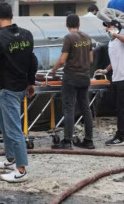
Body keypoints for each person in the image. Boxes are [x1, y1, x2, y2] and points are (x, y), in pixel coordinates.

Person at [0, 3, 36, 183]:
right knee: (3, 121)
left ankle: (21, 170)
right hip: (20, 87)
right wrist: (31, 82)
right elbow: (32, 60)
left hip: (10, 89)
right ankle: (11, 159)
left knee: (13, 128)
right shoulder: (27, 35)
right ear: (12, 15)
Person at [47, 14, 95, 150]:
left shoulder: (69, 38)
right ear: (79, 24)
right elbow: (91, 59)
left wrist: (52, 71)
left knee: (69, 108)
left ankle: (67, 142)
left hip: (71, 77)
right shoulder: (87, 37)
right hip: (85, 77)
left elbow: (62, 60)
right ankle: (89, 141)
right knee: (86, 108)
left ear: (67, 25)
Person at [102, 19, 124, 146]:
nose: (107, 29)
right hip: (116, 78)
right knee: (118, 108)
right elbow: (114, 60)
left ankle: (122, 136)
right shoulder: (111, 42)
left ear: (115, 28)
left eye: (109, 27)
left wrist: (115, 34)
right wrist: (106, 70)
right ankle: (121, 134)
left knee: (122, 109)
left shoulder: (121, 40)